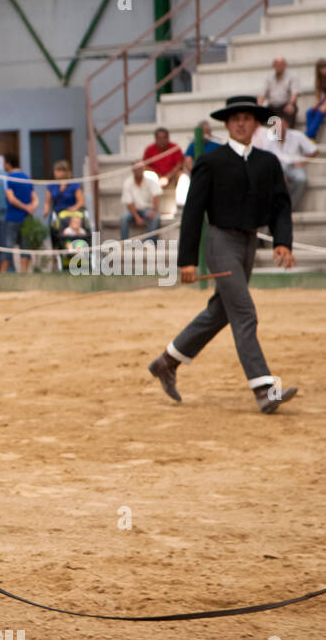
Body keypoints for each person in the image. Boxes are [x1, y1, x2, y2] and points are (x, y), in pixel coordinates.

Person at [148, 95, 298, 414]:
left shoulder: (267, 163)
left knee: (221, 312)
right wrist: (186, 260)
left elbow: (281, 206)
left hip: (248, 246)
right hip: (220, 243)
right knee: (244, 312)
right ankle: (264, 390)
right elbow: (192, 212)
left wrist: (282, 240)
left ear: (256, 123)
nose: (241, 123)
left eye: (247, 118)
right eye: (235, 118)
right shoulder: (211, 161)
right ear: (227, 124)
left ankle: (167, 362)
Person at [255, 121, 318, 210]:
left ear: (286, 125)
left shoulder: (297, 135)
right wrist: (279, 174)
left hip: (293, 166)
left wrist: (303, 162)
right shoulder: (269, 139)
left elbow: (314, 151)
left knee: (301, 180)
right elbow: (266, 158)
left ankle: (288, 207)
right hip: (276, 167)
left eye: (281, 125)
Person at [3, 154, 37, 272]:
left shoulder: (9, 178)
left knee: (8, 246)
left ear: (8, 164)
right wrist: (30, 208)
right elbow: (35, 198)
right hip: (27, 217)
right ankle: (24, 273)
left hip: (13, 217)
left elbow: (11, 199)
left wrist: (25, 208)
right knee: (25, 245)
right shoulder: (27, 178)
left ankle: (5, 274)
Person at [43, 160, 84, 250]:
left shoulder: (74, 185)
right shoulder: (52, 185)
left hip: (70, 215)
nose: (55, 173)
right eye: (55, 170)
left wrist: (74, 208)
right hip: (57, 215)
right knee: (54, 230)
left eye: (58, 170)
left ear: (65, 172)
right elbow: (47, 202)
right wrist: (45, 211)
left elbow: (81, 201)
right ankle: (56, 251)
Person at [120, 161, 162, 243]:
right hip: (133, 211)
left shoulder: (151, 181)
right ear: (133, 170)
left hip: (147, 209)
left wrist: (154, 210)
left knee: (156, 217)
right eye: (137, 169)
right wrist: (137, 217)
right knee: (123, 219)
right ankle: (124, 243)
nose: (139, 170)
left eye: (141, 168)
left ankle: (148, 243)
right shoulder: (128, 183)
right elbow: (129, 203)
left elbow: (156, 195)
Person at [259, 56, 299, 128]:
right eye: (276, 64)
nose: (278, 66)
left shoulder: (292, 76)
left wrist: (291, 104)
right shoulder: (269, 77)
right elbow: (262, 94)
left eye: (281, 64)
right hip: (272, 106)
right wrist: (259, 105)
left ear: (285, 65)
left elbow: (294, 94)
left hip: (285, 105)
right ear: (273, 66)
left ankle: (288, 132)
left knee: (292, 108)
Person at [306, 58, 326, 141]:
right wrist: (315, 105)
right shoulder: (319, 80)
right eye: (321, 68)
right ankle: (311, 137)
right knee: (310, 112)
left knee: (319, 113)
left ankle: (308, 136)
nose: (324, 70)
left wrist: (324, 106)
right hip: (323, 100)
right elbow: (318, 95)